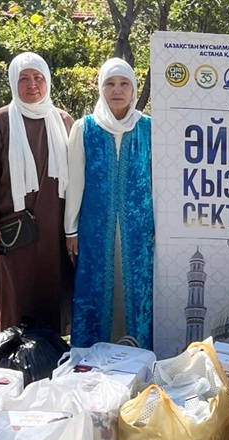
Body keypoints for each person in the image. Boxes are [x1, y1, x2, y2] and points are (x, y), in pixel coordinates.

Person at [0, 52, 74, 335]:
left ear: (47, 80)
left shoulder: (63, 121)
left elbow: (79, 177)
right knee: (18, 298)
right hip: (14, 233)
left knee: (53, 292)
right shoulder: (0, 121)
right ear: (14, 82)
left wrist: (76, 228)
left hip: (56, 231)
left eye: (38, 77)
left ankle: (50, 350)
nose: (32, 85)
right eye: (24, 79)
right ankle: (15, 348)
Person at [64, 57, 153, 349]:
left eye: (124, 83)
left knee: (137, 288)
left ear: (134, 89)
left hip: (139, 229)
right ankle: (92, 353)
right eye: (110, 83)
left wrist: (160, 226)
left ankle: (138, 352)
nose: (117, 90)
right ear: (100, 88)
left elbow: (158, 180)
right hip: (95, 225)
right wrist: (71, 229)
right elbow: (75, 181)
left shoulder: (148, 128)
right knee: (96, 286)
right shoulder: (85, 128)